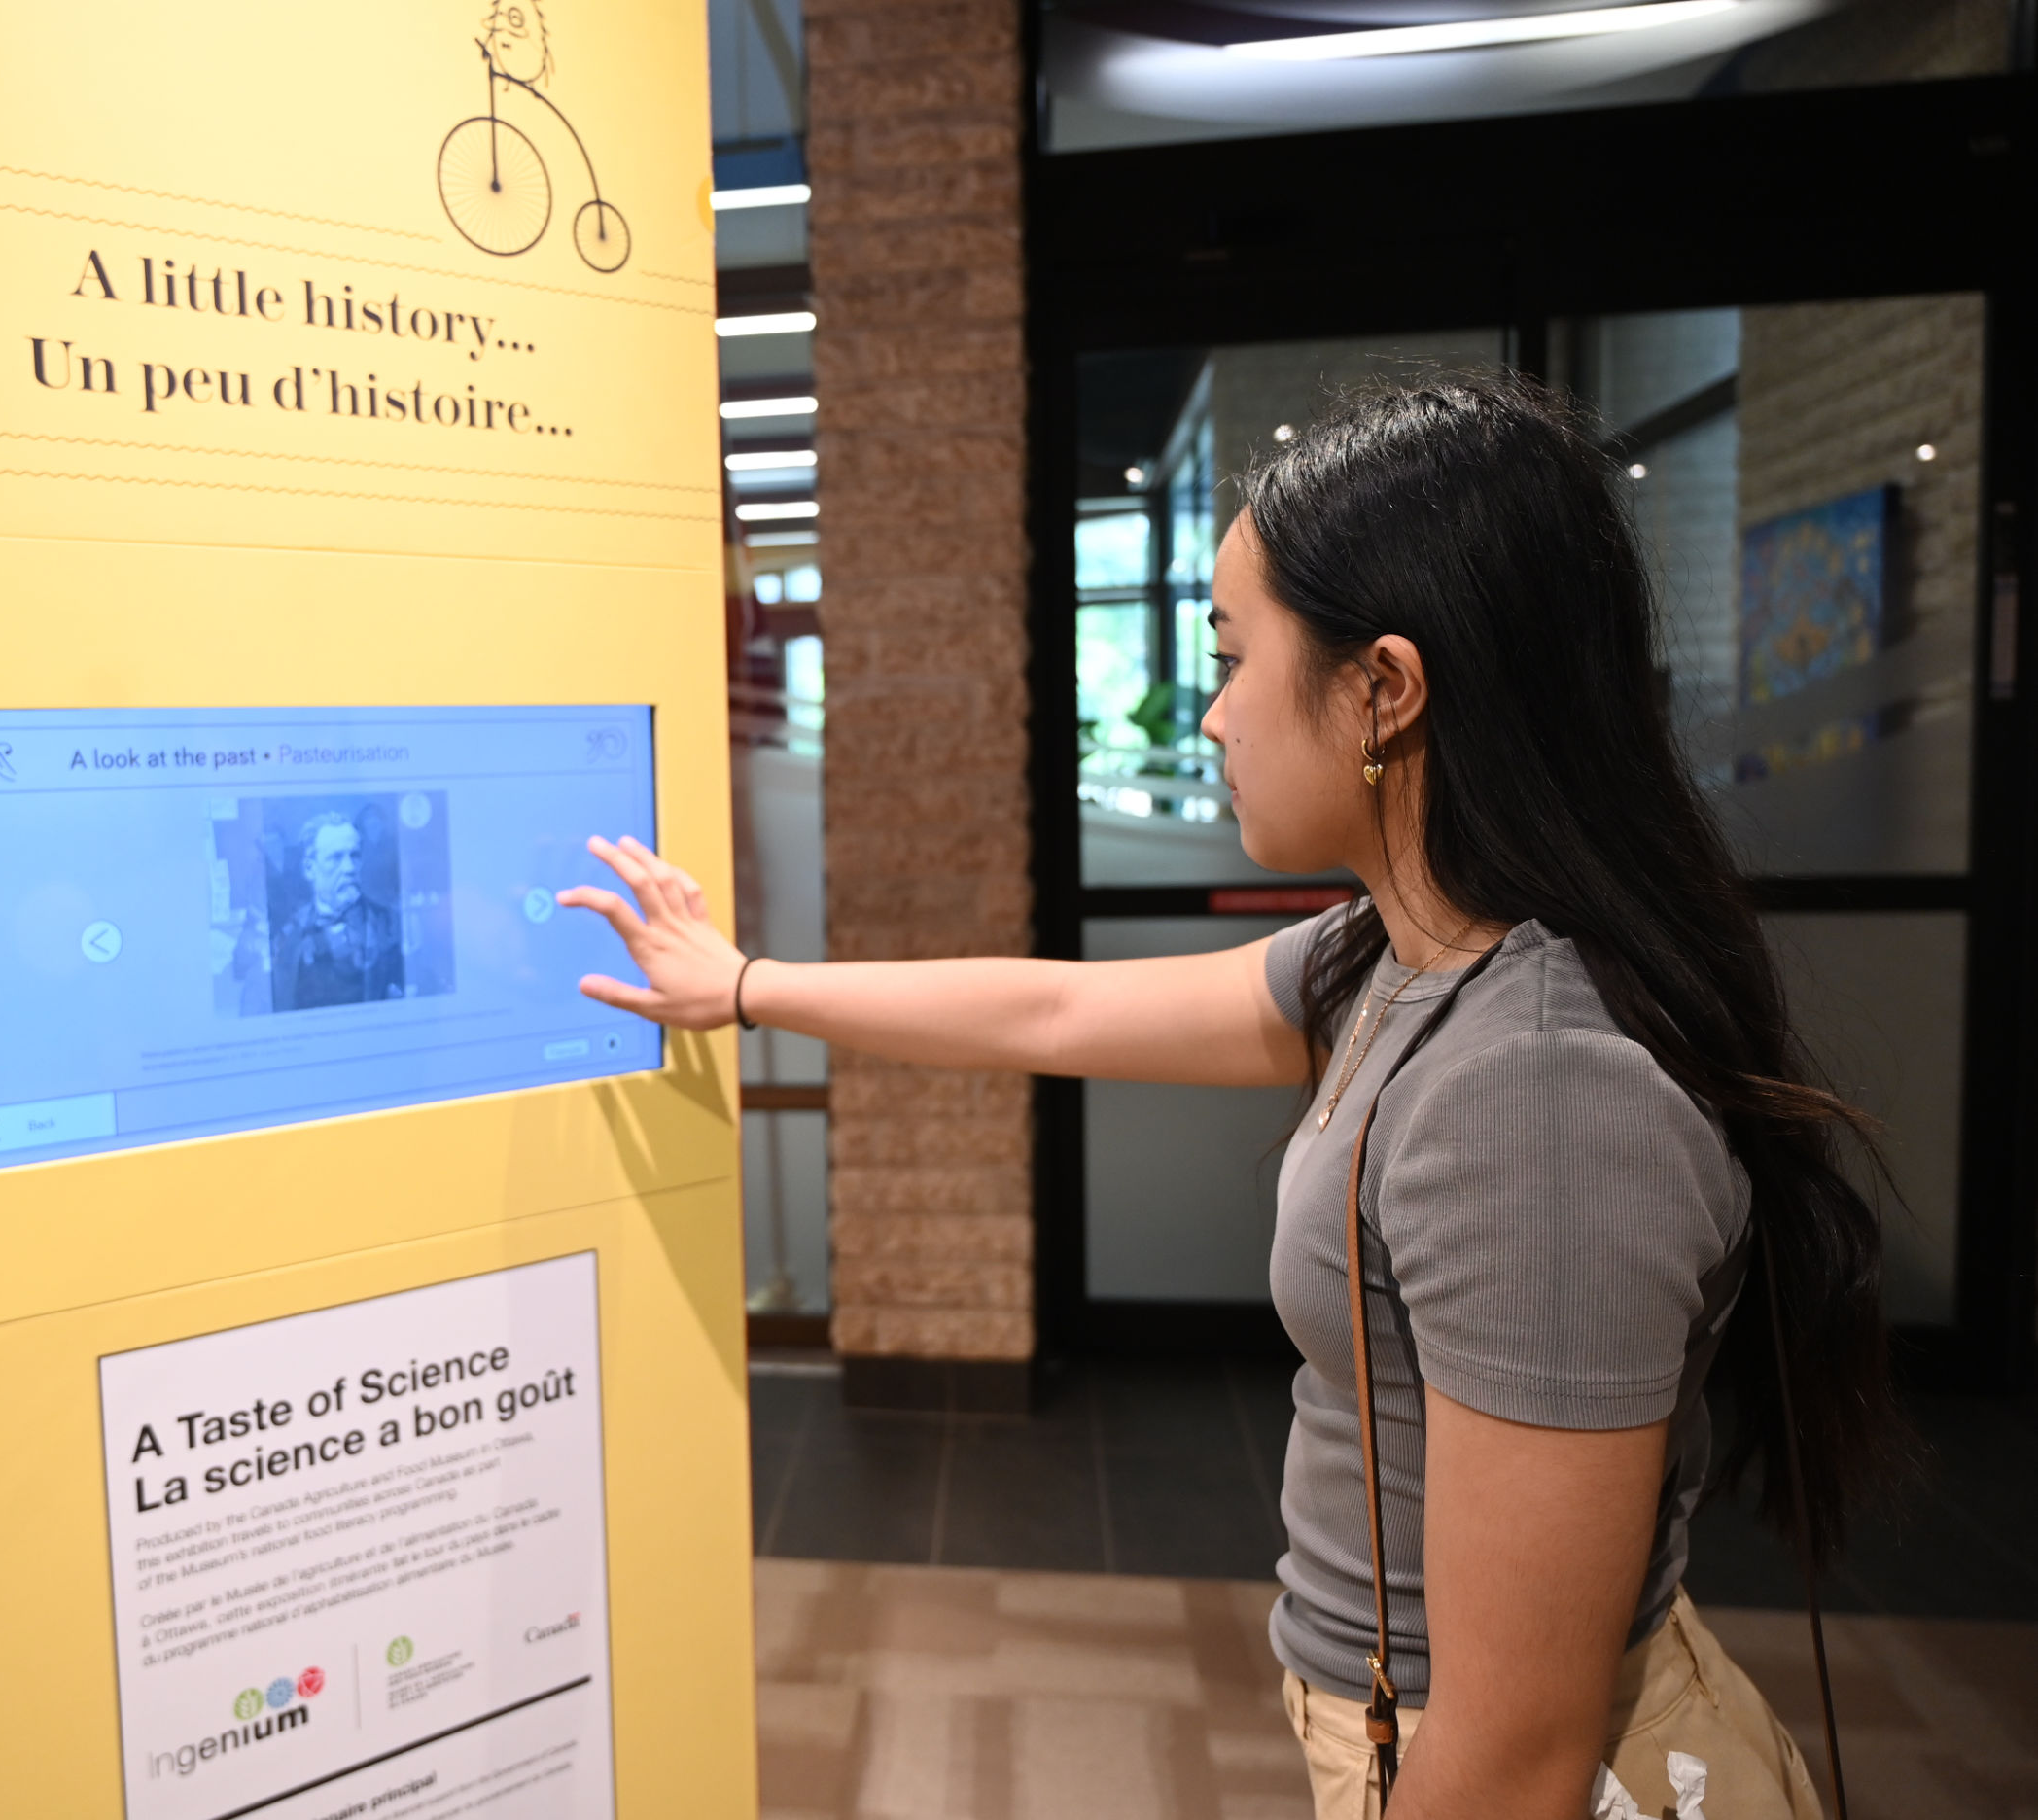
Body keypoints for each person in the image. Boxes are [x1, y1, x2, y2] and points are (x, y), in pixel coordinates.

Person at [561, 374, 1901, 1820]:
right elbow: (1055, 1006)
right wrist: (744, 982)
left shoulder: (1537, 1092)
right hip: (1397, 1726)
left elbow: (1518, 1751)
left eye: (1233, 654)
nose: (1209, 716)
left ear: (1383, 689)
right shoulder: (1398, 952)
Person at [272, 810, 403, 1009]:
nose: (350, 868)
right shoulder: (288, 935)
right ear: (309, 868)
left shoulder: (391, 923)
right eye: (336, 858)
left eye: (355, 856)